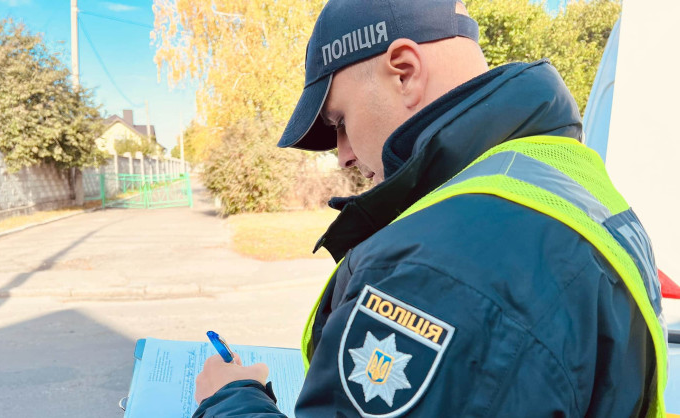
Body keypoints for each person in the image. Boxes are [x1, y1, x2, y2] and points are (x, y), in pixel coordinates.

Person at [193, 0, 668, 416]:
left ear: (404, 72)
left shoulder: (437, 267)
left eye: (340, 121)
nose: (343, 155)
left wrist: (229, 400)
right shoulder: (557, 176)